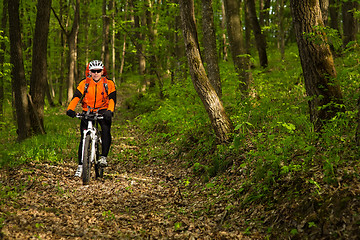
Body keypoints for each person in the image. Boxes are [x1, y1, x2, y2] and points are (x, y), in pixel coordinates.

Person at [66, 60, 116, 177]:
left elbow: (113, 98)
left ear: (102, 71)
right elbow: (76, 97)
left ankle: (103, 157)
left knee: (105, 129)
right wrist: (70, 109)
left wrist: (110, 111)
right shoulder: (85, 83)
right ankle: (80, 166)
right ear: (89, 72)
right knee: (83, 137)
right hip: (87, 110)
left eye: (98, 71)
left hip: (103, 109)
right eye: (93, 71)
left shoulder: (108, 83)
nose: (96, 73)